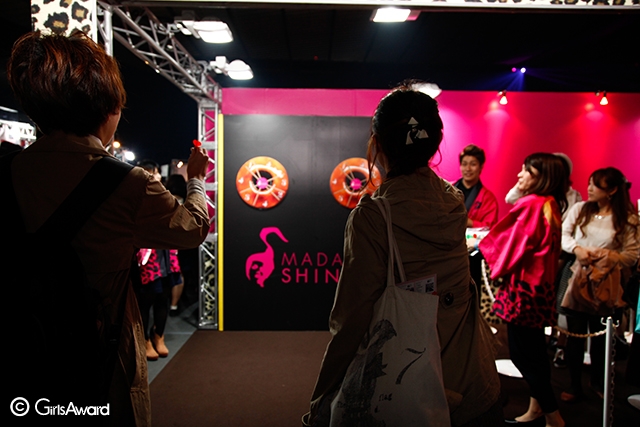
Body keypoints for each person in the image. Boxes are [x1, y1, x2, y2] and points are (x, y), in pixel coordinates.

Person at [5, 30, 210, 426]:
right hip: (99, 361)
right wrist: (196, 179)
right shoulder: (126, 184)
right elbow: (191, 228)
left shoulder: (8, 170)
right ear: (108, 108)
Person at [303, 82, 502, 427]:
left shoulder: (373, 216)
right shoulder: (454, 202)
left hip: (405, 390)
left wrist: (322, 397)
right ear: (436, 142)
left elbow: (352, 318)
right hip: (473, 380)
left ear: (377, 144)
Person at [477, 152, 568, 427]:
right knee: (537, 354)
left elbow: (511, 244)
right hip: (541, 289)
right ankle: (536, 408)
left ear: (541, 177)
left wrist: (486, 252)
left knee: (522, 355)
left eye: (526, 170)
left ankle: (553, 417)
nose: (520, 174)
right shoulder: (550, 203)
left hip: (525, 290)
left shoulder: (531, 205)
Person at [559, 167, 639, 403]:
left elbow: (631, 254)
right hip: (577, 279)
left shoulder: (627, 219)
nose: (590, 189)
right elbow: (564, 235)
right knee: (574, 335)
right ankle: (574, 384)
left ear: (612, 190)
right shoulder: (580, 209)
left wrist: (604, 257)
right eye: (590, 183)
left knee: (602, 339)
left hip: (607, 284)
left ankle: (598, 382)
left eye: (596, 185)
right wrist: (577, 249)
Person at [454, 144, 499, 228]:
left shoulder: (488, 199)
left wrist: (469, 223)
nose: (468, 169)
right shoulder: (446, 189)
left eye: (473, 164)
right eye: (464, 164)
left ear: (481, 167)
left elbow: (490, 227)